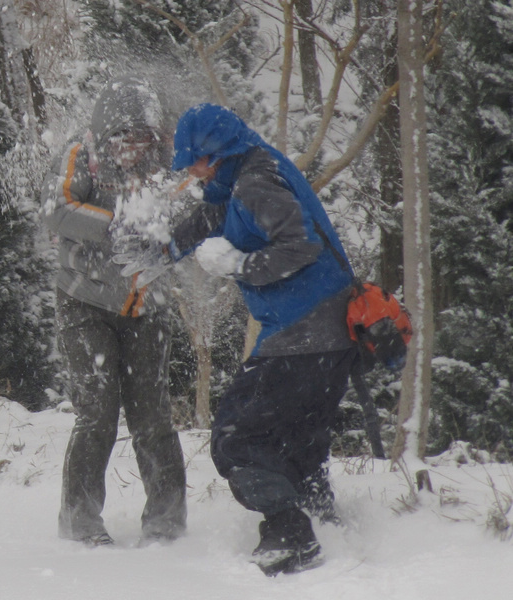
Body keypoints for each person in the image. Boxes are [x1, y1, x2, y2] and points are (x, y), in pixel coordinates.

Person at [117, 103, 355, 574]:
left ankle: (291, 534)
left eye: (195, 160)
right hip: (322, 329)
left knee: (236, 435)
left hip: (306, 328)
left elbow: (300, 246)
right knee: (295, 437)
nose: (190, 169)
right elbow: (210, 217)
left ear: (218, 152)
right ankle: (327, 528)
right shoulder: (242, 177)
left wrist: (239, 266)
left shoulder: (256, 183)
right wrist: (158, 251)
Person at [40, 77, 188, 547]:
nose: (130, 147)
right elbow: (57, 208)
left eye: (139, 137)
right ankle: (80, 521)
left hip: (148, 307)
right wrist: (114, 226)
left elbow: (188, 213)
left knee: (152, 415)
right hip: (85, 302)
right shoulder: (79, 154)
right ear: (104, 135)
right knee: (97, 412)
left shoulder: (168, 164)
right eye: (121, 138)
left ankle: (166, 523)